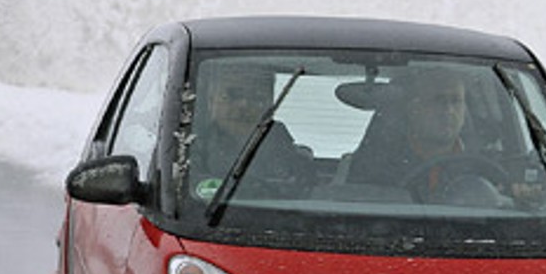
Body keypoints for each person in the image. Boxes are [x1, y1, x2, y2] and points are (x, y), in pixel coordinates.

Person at [345, 64, 481, 200]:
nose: (449, 110)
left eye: (456, 101)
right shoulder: (375, 169)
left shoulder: (485, 169)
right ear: (413, 109)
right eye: (438, 100)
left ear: (465, 109)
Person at [187, 63, 317, 201]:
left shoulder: (293, 160)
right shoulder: (190, 153)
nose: (244, 105)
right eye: (232, 96)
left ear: (270, 104)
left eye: (256, 97)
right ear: (211, 101)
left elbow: (299, 199)